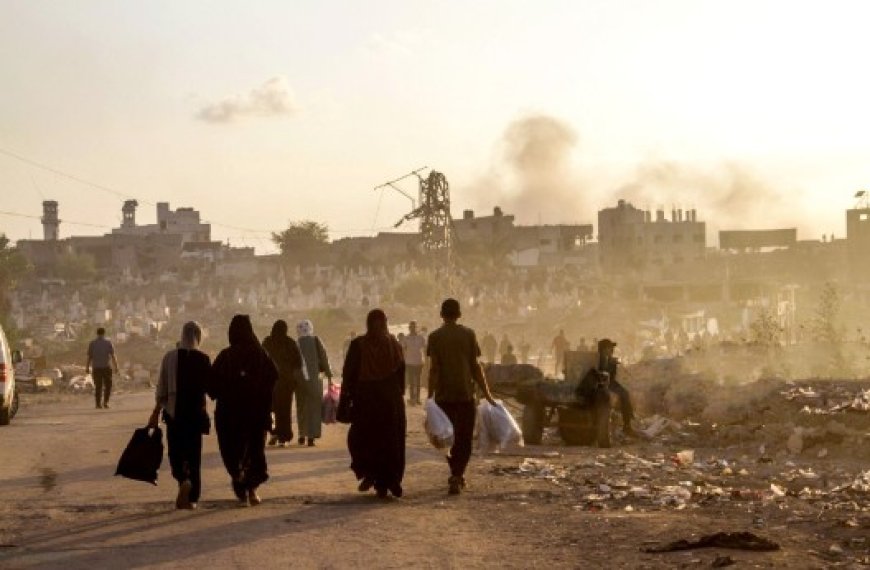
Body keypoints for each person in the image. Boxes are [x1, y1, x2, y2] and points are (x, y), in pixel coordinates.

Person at [427, 298, 496, 495]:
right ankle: (457, 474)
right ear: (459, 315)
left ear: (442, 315)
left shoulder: (435, 337)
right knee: (464, 438)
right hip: (465, 395)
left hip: (443, 397)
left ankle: (455, 473)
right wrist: (488, 394)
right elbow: (475, 367)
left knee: (448, 438)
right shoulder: (468, 334)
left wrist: (430, 396)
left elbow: (434, 370)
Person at [209, 315, 278, 506]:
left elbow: (212, 387)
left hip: (229, 415)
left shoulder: (226, 356)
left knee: (234, 452)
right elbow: (273, 377)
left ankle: (241, 485)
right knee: (255, 451)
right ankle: (252, 491)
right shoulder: (260, 354)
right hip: (255, 413)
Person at [342, 309, 406, 499]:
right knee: (391, 440)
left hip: (366, 399)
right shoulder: (393, 344)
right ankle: (390, 480)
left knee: (364, 438)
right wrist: (398, 393)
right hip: (390, 400)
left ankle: (371, 473)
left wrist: (349, 396)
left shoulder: (358, 345)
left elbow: (349, 374)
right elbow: (401, 374)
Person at [148, 321, 211, 510]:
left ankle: (182, 479)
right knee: (194, 456)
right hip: (196, 415)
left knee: (175, 452)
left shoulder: (170, 357)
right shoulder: (203, 358)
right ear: (198, 337)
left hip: (174, 414)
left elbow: (162, 390)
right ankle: (192, 498)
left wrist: (155, 413)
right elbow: (211, 388)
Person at [262, 320, 304, 447]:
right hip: (286, 382)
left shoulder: (267, 342)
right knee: (285, 410)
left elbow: (261, 360)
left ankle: (274, 433)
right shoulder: (290, 342)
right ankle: (283, 437)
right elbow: (298, 362)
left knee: (270, 409)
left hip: (271, 382)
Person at [593, 338, 640, 438]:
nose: (612, 350)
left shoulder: (601, 358)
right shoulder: (602, 359)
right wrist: (612, 363)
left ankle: (627, 421)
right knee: (624, 394)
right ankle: (627, 425)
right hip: (605, 384)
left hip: (603, 383)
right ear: (604, 349)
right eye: (610, 348)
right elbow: (606, 375)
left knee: (624, 393)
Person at [296, 320, 333, 447]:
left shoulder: (296, 343)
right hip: (314, 380)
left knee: (301, 407)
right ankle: (311, 437)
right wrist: (329, 376)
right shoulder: (316, 341)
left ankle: (302, 434)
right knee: (314, 408)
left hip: (299, 381)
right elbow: (324, 358)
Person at [85, 327, 119, 409]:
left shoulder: (92, 344)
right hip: (106, 367)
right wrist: (116, 367)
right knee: (108, 386)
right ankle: (105, 403)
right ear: (104, 333)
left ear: (97, 333)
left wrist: (87, 367)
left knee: (98, 386)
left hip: (96, 368)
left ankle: (98, 404)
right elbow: (113, 356)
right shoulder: (108, 343)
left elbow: (89, 357)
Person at [400, 320, 426, 405]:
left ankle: (417, 398)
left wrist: (424, 360)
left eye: (414, 327)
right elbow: (403, 350)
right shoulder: (406, 338)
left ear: (416, 327)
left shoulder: (421, 338)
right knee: (411, 382)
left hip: (418, 362)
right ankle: (412, 398)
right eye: (411, 327)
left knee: (418, 382)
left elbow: (424, 349)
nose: (412, 328)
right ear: (409, 328)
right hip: (409, 362)